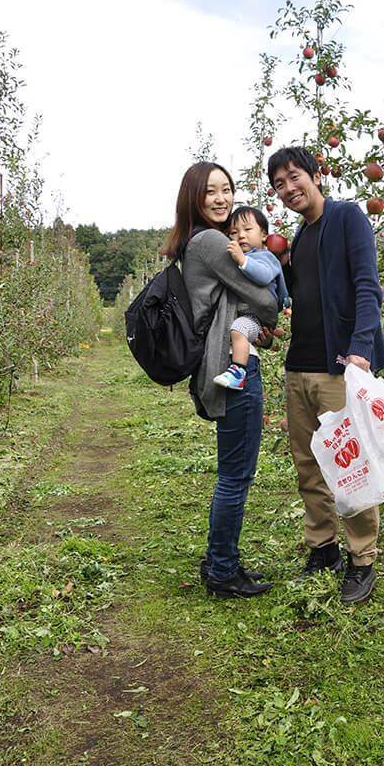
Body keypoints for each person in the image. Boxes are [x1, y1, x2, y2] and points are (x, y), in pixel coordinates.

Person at [267, 146, 384, 604]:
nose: (288, 189)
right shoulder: (298, 237)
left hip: (340, 368)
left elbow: (365, 285)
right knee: (309, 465)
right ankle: (323, 549)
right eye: (278, 185)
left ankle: (362, 559)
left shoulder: (347, 217)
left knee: (350, 465)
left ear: (316, 175)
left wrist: (359, 349)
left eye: (294, 177)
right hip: (300, 366)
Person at [161, 162, 279, 599]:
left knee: (231, 472)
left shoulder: (197, 242)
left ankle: (219, 560)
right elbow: (266, 301)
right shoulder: (212, 242)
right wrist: (271, 306)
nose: (221, 198)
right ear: (193, 197)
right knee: (236, 476)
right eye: (210, 191)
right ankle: (223, 571)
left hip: (217, 365)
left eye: (227, 189)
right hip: (232, 370)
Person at [213, 206, 290, 390]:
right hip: (246, 315)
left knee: (239, 329)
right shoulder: (236, 257)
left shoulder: (266, 257)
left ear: (264, 234)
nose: (241, 235)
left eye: (248, 229)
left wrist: (242, 260)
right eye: (234, 232)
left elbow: (263, 276)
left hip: (256, 316)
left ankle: (238, 372)